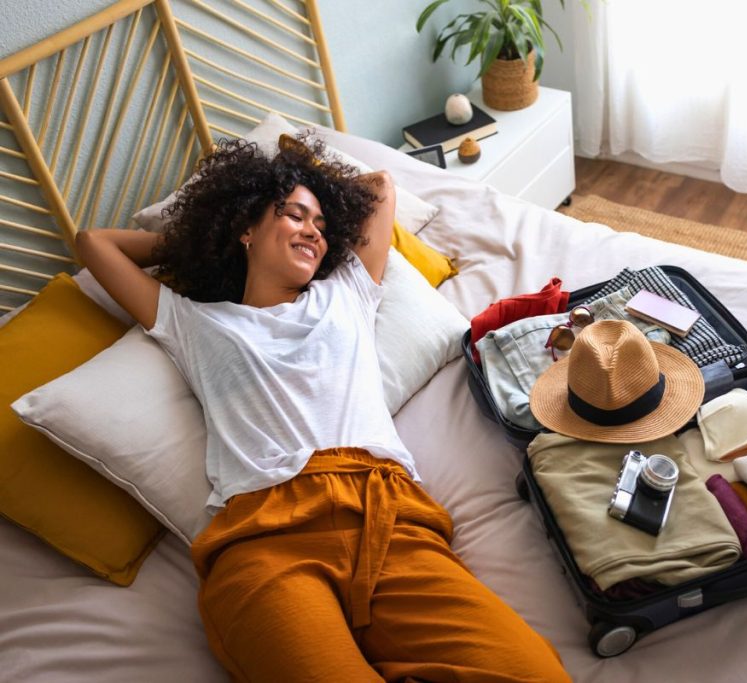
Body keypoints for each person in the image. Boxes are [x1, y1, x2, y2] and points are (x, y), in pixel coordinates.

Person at [77, 135, 570, 683]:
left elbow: (380, 188)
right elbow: (93, 241)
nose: (313, 230)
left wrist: (305, 176)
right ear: (245, 227)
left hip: (388, 517)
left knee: (535, 673)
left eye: (321, 223)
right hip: (268, 539)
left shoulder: (347, 292)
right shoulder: (194, 322)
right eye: (294, 215)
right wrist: (200, 239)